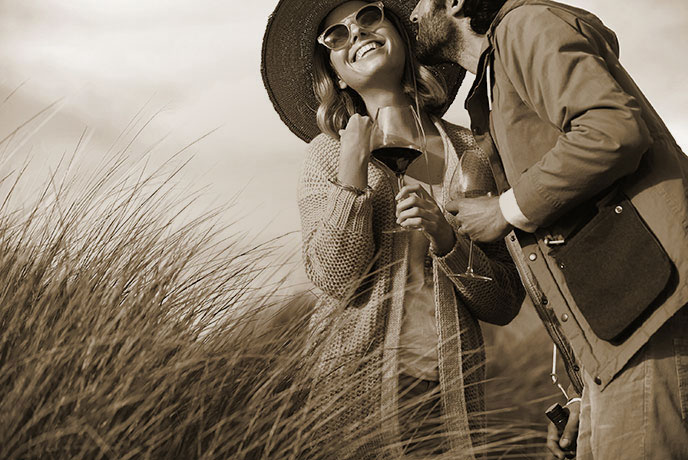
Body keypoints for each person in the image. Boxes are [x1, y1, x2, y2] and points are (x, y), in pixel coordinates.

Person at [409, 0, 688, 458]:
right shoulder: (495, 85)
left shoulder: (525, 25)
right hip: (619, 340)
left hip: (651, 318)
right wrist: (583, 389)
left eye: (414, 2)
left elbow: (612, 130)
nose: (410, 15)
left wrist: (506, 207)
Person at [262, 0, 525, 457]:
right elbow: (334, 278)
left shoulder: (472, 154)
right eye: (336, 35)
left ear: (403, 34)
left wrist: (447, 240)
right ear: (337, 74)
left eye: (367, 17)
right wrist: (351, 173)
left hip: (450, 399)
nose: (357, 34)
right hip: (351, 397)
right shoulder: (327, 155)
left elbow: (504, 300)